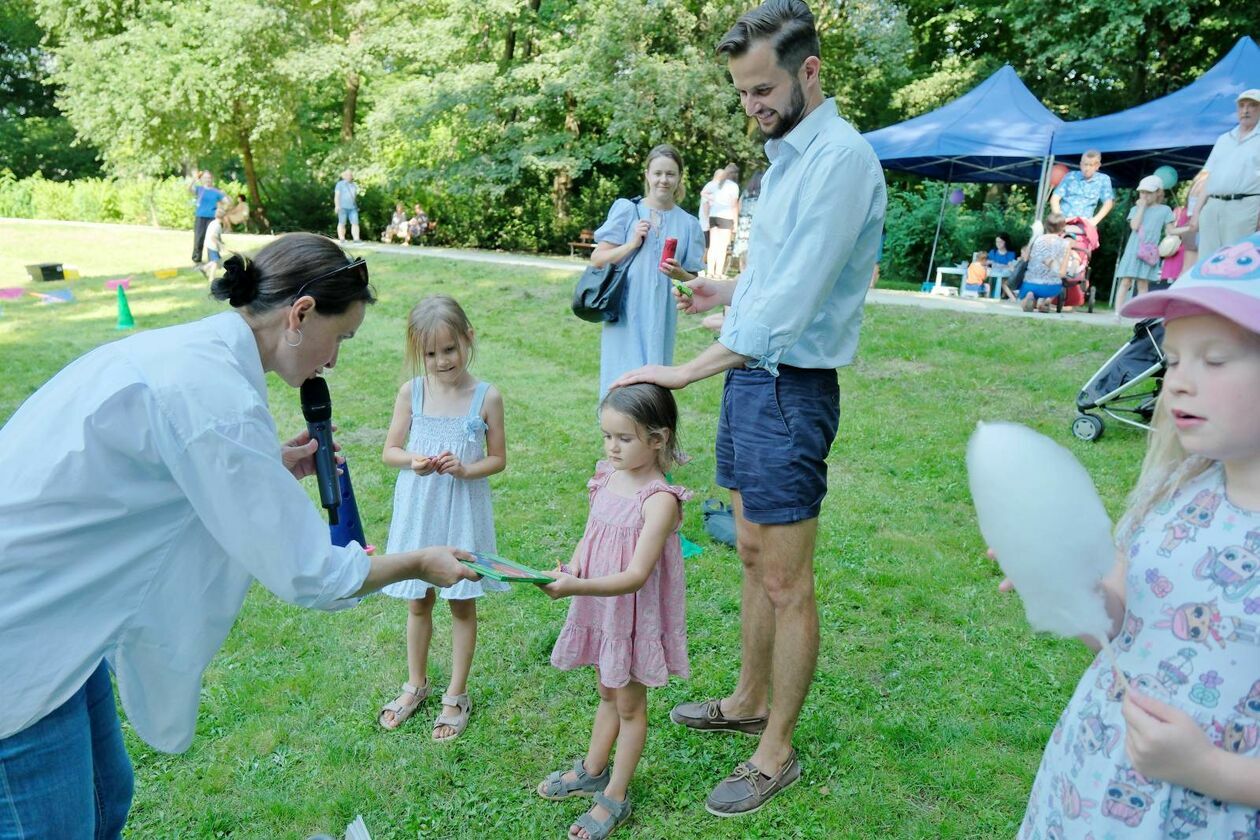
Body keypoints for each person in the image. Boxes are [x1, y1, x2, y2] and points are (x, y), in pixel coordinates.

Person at [0, 233, 477, 835]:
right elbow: (312, 575)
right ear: (300, 315)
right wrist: (420, 562)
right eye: (342, 338)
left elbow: (164, 470)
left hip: (61, 622)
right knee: (53, 824)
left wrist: (267, 462)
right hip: (18, 634)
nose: (333, 361)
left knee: (105, 797)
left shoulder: (194, 354)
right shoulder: (216, 397)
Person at [613, 0, 886, 817]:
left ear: (809, 71)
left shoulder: (840, 161)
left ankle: (778, 749)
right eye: (741, 92)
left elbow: (793, 310)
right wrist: (724, 290)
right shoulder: (788, 161)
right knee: (749, 555)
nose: (752, 106)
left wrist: (682, 369)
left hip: (791, 388)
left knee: (786, 578)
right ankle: (746, 701)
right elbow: (776, 283)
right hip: (753, 378)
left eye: (762, 89)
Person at [1012, 231, 1260, 838]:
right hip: (1090, 784)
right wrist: (1070, 587)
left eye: (1215, 359)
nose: (1175, 382)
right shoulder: (1176, 491)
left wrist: (1212, 770)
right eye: (1173, 360)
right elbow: (1120, 625)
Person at [537, 384, 691, 840]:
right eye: (607, 436)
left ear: (658, 439)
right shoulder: (607, 476)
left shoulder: (659, 500)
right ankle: (592, 770)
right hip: (602, 609)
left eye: (623, 438)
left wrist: (575, 587)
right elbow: (591, 534)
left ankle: (617, 796)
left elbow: (637, 574)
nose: (611, 446)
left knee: (629, 703)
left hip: (632, 614)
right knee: (607, 691)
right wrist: (574, 566)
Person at [377, 295, 508, 741]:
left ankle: (457, 692)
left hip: (461, 511)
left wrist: (467, 468)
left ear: (468, 339)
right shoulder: (411, 393)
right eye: (430, 354)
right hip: (421, 509)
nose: (441, 361)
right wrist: (413, 459)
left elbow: (498, 459)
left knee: (461, 601)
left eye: (449, 349)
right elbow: (389, 450)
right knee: (418, 600)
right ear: (418, 352)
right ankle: (415, 683)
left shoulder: (486, 397)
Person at [590, 144, 704, 400]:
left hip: (661, 316)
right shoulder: (627, 211)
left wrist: (680, 275)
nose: (663, 180)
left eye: (670, 174)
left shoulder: (689, 224)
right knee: (620, 379)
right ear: (647, 175)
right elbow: (597, 259)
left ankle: (650, 435)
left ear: (679, 178)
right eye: (658, 173)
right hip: (625, 312)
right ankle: (616, 435)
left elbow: (693, 285)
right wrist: (631, 244)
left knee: (654, 383)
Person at [1198, 89, 1260, 258]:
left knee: (1236, 261)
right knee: (1206, 262)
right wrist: (1196, 213)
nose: (1245, 110)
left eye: (1252, 105)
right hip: (1212, 206)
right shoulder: (1223, 139)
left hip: (1245, 206)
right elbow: (1207, 175)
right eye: (1241, 106)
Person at [1114, 175, 1176, 320]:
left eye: (1149, 192)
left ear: (1158, 193)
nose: (1145, 195)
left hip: (1149, 252)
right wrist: (1141, 208)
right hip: (1133, 250)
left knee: (1143, 283)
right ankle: (1118, 312)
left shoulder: (1165, 210)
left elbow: (1171, 230)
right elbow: (1134, 226)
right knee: (1125, 281)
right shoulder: (1136, 208)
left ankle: (1141, 314)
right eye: (1142, 192)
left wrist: (1189, 229)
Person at [1020, 212, 1071, 312]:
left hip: (1030, 283)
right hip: (1052, 286)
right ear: (1062, 228)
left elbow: (1025, 259)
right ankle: (1047, 300)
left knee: (1028, 294)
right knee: (1056, 284)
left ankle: (1029, 296)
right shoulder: (1066, 244)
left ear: (1046, 225)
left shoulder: (1036, 239)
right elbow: (1062, 273)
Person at [1051, 150, 1116, 227]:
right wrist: (1059, 218)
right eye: (1085, 164)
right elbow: (1055, 198)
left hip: (1084, 224)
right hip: (1063, 221)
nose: (1087, 168)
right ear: (1080, 164)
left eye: (1091, 165)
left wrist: (1095, 221)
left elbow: (1108, 203)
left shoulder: (1103, 179)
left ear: (1097, 166)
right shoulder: (1070, 176)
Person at [706, 163, 741, 277]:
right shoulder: (734, 187)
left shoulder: (717, 184)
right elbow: (734, 205)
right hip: (726, 216)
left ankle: (710, 271)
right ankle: (718, 273)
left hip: (713, 216)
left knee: (713, 245)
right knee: (722, 246)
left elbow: (705, 193)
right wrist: (735, 223)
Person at [188, 170, 226, 264]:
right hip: (200, 217)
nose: (207, 179)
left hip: (213, 218)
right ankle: (197, 260)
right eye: (205, 177)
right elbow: (189, 190)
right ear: (202, 179)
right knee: (199, 238)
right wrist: (194, 180)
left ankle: (213, 259)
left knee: (212, 239)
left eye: (209, 177)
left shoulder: (216, 192)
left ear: (212, 179)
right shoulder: (199, 189)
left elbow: (227, 202)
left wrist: (221, 210)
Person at [732, 169, 763, 274]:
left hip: (743, 222)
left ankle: (742, 270)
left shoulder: (746, 192)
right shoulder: (762, 193)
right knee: (751, 249)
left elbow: (739, 207)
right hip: (753, 223)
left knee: (742, 249)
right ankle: (747, 273)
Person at [698, 167, 725, 251]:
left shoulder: (711, 185)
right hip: (707, 220)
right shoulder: (713, 186)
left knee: (708, 245)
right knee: (707, 245)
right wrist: (708, 220)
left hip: (708, 219)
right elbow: (706, 204)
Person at [334, 169, 361, 242]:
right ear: (344, 176)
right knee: (342, 223)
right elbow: (337, 196)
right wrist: (337, 206)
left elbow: (354, 197)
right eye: (348, 175)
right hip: (342, 207)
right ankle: (342, 238)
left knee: (355, 223)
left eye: (350, 175)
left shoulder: (354, 185)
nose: (349, 176)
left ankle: (356, 239)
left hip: (353, 208)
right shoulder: (339, 184)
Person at [203, 208, 227, 280]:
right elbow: (213, 237)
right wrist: (220, 244)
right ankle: (211, 278)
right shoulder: (217, 226)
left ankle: (204, 268)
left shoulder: (213, 222)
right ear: (223, 217)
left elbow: (216, 236)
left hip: (209, 244)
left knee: (218, 261)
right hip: (212, 245)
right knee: (215, 262)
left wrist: (221, 241)